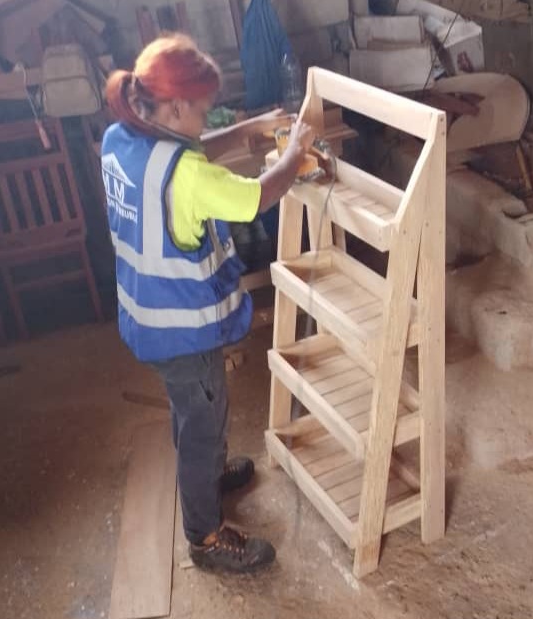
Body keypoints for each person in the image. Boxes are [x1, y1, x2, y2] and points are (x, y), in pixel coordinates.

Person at [101, 33, 315, 573]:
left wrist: (246, 129)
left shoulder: (120, 138)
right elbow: (255, 197)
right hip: (182, 329)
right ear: (174, 107)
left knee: (191, 410)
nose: (205, 119)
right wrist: (294, 154)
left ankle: (210, 476)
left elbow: (181, 154)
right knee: (203, 421)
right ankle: (205, 537)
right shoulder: (188, 175)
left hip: (146, 318)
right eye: (201, 110)